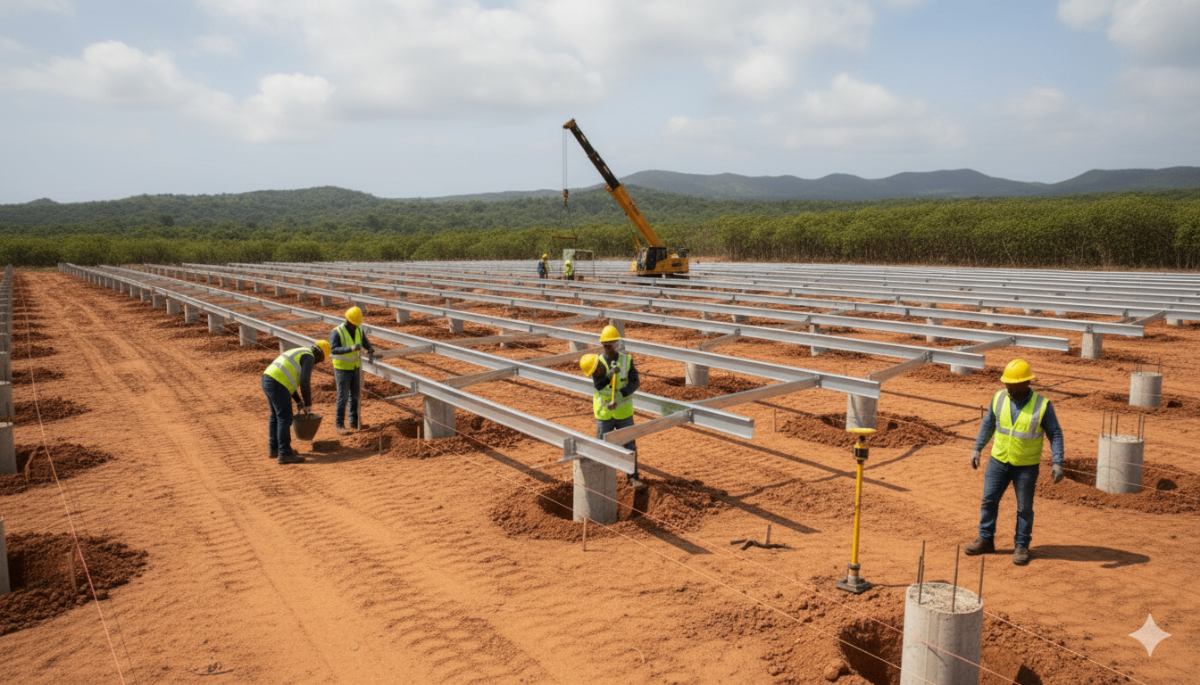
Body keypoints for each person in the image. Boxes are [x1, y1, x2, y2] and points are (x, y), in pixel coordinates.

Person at [965, 359, 1065, 566]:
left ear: (1025, 383)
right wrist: (977, 448)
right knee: (989, 501)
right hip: (998, 461)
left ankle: (1021, 546)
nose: (1008, 387)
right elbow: (988, 424)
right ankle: (985, 540)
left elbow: (1054, 433)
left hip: (1026, 466)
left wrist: (1058, 461)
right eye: (1006, 383)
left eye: (1012, 384)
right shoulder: (999, 398)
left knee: (1024, 508)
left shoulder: (1042, 405)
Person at [580, 324, 645, 490]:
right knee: (603, 446)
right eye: (605, 345)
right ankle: (602, 480)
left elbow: (635, 382)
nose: (607, 349)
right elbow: (599, 386)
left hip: (623, 412)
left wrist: (622, 393)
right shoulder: (598, 362)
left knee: (629, 445)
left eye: (610, 345)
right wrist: (609, 376)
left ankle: (633, 477)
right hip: (604, 413)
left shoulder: (626, 360)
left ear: (616, 344)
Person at [262, 340, 330, 465]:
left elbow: (288, 379)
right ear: (320, 356)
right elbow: (304, 383)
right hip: (278, 384)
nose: (317, 363)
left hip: (268, 379)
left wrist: (299, 401)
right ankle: (285, 453)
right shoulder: (309, 357)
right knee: (284, 418)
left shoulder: (300, 352)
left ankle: (274, 449)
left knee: (275, 416)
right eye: (320, 361)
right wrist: (308, 403)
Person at [330, 306, 376, 435]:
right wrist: (351, 348)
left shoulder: (359, 329)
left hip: (355, 368)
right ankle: (339, 425)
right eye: (353, 324)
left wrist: (370, 349)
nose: (355, 326)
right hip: (342, 369)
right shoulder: (337, 332)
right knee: (342, 397)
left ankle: (354, 421)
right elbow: (333, 349)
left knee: (355, 396)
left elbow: (365, 342)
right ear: (348, 321)